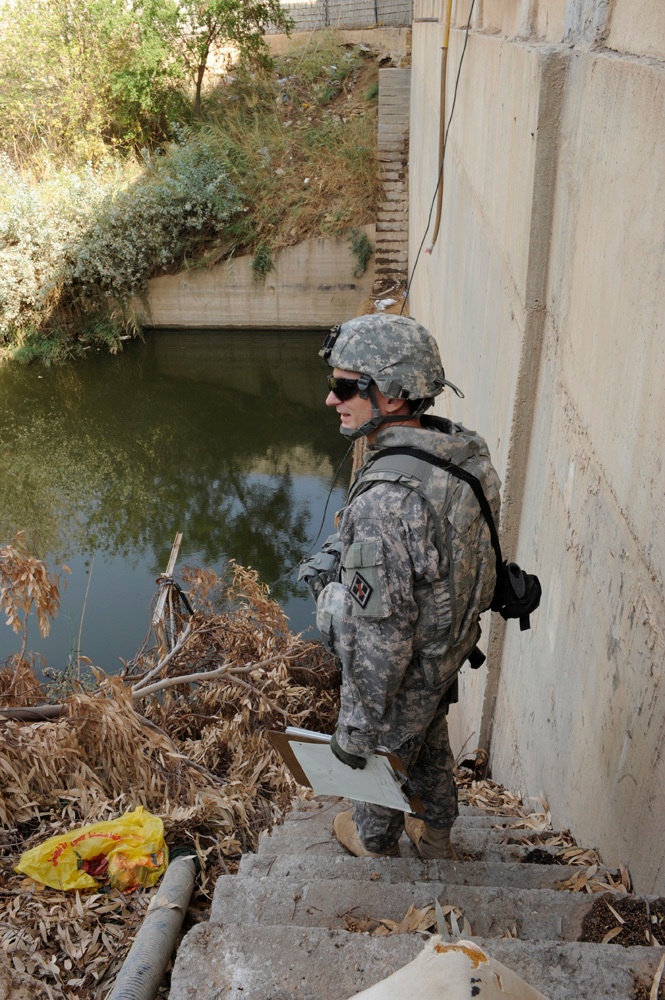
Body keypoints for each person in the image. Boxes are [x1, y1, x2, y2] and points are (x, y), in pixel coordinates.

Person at [304, 313, 501, 860]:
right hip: (450, 645)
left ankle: (374, 843)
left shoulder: (384, 502)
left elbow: (380, 642)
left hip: (408, 660)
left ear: (389, 395)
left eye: (344, 387)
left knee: (383, 750)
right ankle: (436, 832)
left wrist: (356, 731)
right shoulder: (464, 453)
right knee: (430, 730)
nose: (331, 400)